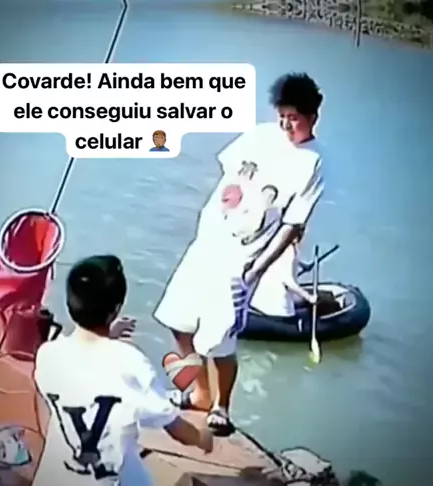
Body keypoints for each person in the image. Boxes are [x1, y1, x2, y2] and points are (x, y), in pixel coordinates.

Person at [154, 72, 325, 436]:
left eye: (294, 118)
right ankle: (200, 393)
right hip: (208, 242)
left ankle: (222, 406)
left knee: (219, 337)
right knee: (177, 320)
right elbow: (228, 171)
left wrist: (258, 268)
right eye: (282, 115)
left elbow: (293, 223)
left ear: (313, 116)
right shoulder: (261, 135)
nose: (285, 124)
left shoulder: (314, 163)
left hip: (242, 258)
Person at [32, 255, 213, 486]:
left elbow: (83, 365)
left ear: (69, 304)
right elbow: (175, 427)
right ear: (116, 309)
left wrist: (106, 335)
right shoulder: (130, 363)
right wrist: (202, 438)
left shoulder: (48, 354)